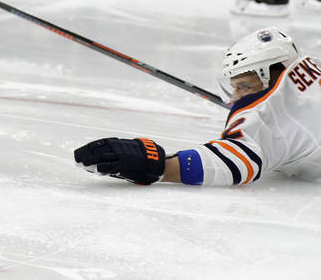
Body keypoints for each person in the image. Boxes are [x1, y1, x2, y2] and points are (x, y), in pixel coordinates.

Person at [75, 27, 321, 186]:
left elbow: (236, 162)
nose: (234, 99)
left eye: (244, 86)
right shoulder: (309, 71)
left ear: (271, 73)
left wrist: (158, 164)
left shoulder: (277, 111)